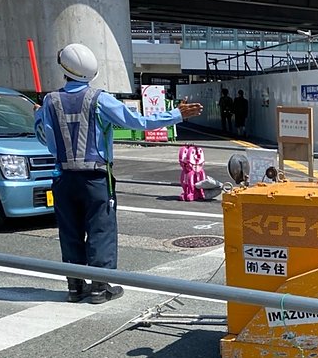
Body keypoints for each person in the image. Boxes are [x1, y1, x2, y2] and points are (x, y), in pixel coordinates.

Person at [34, 43, 203, 304]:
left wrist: (39, 118)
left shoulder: (49, 102)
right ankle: (100, 288)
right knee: (100, 228)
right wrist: (175, 114)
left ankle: (74, 287)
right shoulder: (98, 99)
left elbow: (45, 138)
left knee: (69, 230)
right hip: (96, 177)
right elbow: (137, 122)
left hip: (63, 177)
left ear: (65, 70)